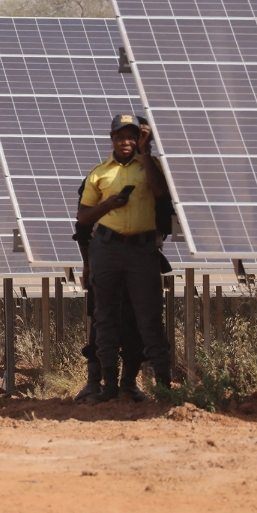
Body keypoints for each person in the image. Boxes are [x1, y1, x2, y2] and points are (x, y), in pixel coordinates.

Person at [77, 115, 172, 402]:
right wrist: (107, 205)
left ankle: (163, 391)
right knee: (105, 319)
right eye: (121, 137)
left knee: (148, 318)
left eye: (133, 136)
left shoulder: (151, 168)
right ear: (112, 139)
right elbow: (82, 220)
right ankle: (107, 387)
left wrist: (147, 152)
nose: (126, 142)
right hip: (107, 249)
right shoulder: (97, 174)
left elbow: (161, 192)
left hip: (142, 251)